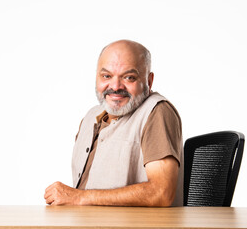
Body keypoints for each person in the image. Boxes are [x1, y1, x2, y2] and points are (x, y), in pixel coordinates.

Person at [44, 39, 183, 207]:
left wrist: (79, 197)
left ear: (149, 81)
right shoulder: (90, 117)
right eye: (106, 76)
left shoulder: (157, 112)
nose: (116, 86)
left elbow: (161, 192)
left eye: (129, 77)